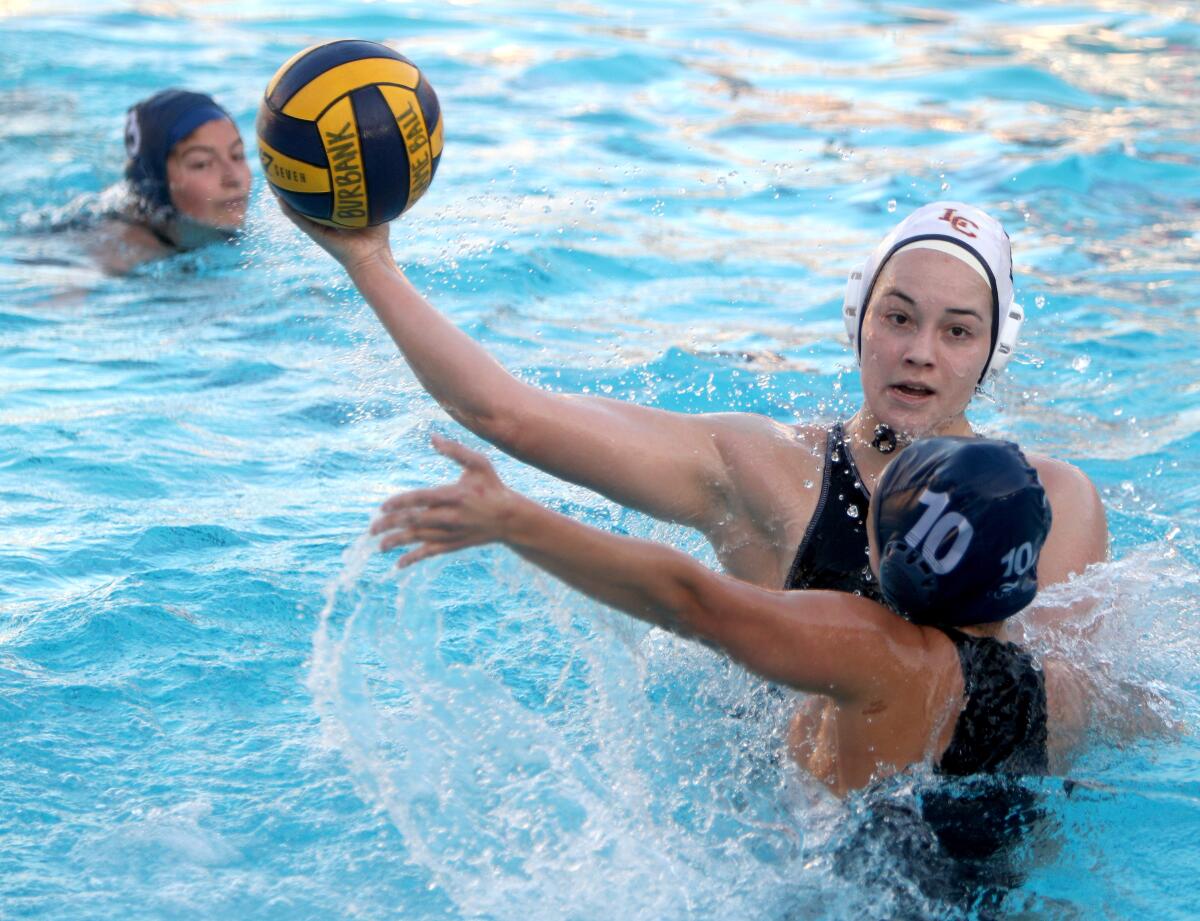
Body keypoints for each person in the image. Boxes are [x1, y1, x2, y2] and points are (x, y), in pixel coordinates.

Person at [278, 198, 1108, 624]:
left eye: (958, 330)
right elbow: (504, 413)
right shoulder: (763, 467)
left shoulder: (1052, 500)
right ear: (858, 322)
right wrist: (368, 260)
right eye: (898, 316)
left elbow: (1053, 715)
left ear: (991, 351)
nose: (921, 349)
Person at [369, 433, 1084, 795]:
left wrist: (515, 521)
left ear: (897, 554)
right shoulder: (1049, 686)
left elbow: (691, 600)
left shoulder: (883, 656)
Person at [83, 89, 251, 274]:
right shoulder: (111, 259)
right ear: (157, 183)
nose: (233, 178)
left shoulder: (215, 226)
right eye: (201, 164)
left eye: (237, 155)